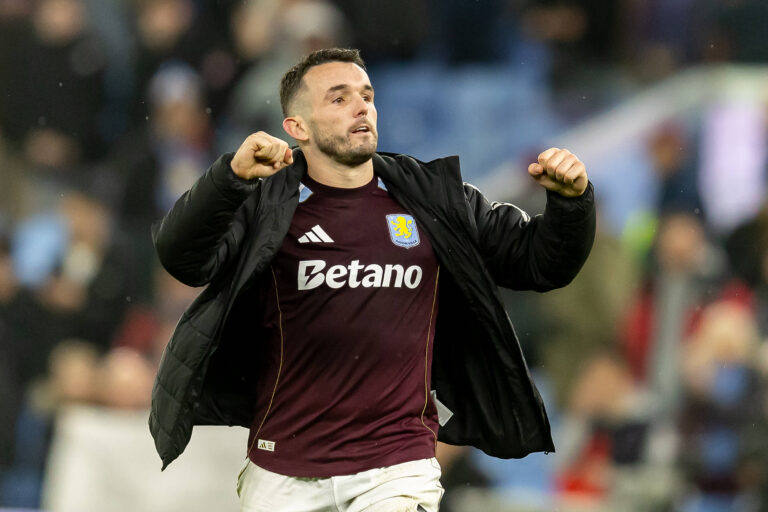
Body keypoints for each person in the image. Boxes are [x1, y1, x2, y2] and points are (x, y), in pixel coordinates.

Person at [150, 48, 596, 512]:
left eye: (367, 95)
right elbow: (183, 259)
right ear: (297, 128)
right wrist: (229, 178)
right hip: (283, 469)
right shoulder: (266, 206)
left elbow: (539, 263)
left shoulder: (434, 199)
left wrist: (571, 205)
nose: (361, 107)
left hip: (395, 469)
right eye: (338, 99)